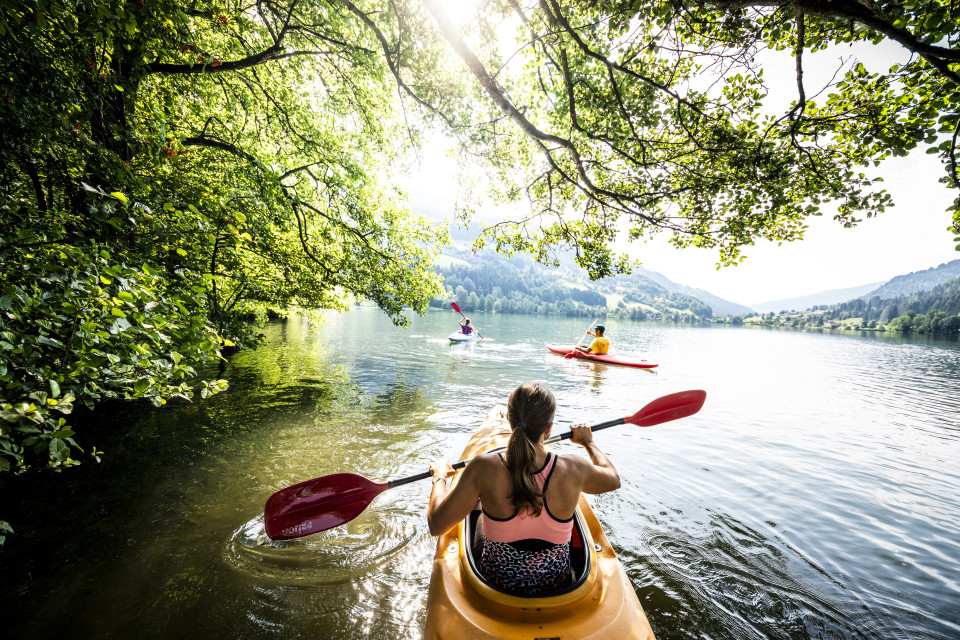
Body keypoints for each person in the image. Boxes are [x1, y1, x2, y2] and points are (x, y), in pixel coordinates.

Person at [427, 382, 621, 594]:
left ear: (509, 421)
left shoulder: (483, 468)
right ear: (548, 428)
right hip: (558, 586)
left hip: (497, 584)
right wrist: (588, 443)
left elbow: (437, 525)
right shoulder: (574, 468)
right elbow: (613, 479)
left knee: (477, 503)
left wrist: (439, 477)